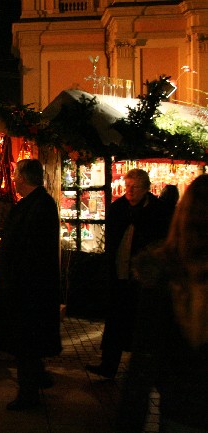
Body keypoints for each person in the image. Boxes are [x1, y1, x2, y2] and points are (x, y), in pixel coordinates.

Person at [116, 174, 208, 433]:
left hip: (183, 403)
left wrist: (131, 416)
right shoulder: (163, 274)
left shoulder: (165, 275)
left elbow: (145, 354)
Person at [86, 169, 172, 379]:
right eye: (128, 187)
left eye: (135, 187)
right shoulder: (118, 209)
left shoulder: (158, 211)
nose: (130, 191)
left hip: (143, 278)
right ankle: (109, 365)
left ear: (145, 188)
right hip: (119, 273)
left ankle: (143, 370)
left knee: (142, 323)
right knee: (116, 320)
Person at [0, 159, 61, 411]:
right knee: (28, 342)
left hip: (27, 287)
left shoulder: (38, 206)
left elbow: (30, 249)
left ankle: (28, 394)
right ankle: (38, 378)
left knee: (26, 342)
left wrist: (14, 277)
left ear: (23, 178)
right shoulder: (36, 204)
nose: (13, 179)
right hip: (27, 285)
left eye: (15, 175)